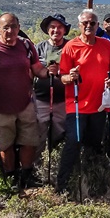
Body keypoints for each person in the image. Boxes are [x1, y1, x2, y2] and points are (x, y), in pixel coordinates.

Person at [0, 13, 55, 189]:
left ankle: (26, 176)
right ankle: (11, 178)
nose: (10, 31)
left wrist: (49, 72)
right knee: (5, 145)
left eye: (13, 27)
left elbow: (37, 69)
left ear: (19, 27)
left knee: (29, 141)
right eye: (6, 27)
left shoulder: (26, 45)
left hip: (25, 104)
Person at [55, 9, 110, 194]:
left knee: (94, 145)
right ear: (79, 25)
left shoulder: (106, 45)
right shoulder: (71, 47)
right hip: (76, 106)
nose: (89, 26)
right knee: (73, 144)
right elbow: (63, 78)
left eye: (92, 23)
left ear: (98, 25)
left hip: (99, 106)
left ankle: (93, 180)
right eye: (85, 23)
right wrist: (71, 76)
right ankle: (63, 185)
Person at [34, 13, 71, 159]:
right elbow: (32, 69)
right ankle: (37, 168)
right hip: (42, 100)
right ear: (47, 29)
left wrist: (60, 71)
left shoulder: (70, 47)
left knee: (60, 134)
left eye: (60, 27)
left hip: (63, 100)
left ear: (64, 30)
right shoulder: (39, 48)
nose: (56, 30)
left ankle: (58, 165)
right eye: (52, 27)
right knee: (39, 134)